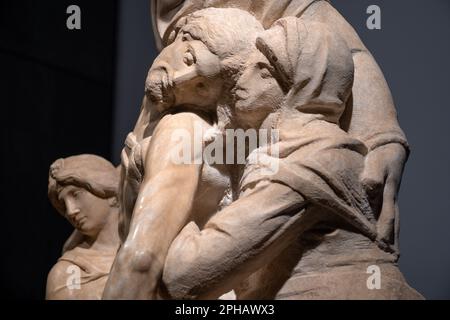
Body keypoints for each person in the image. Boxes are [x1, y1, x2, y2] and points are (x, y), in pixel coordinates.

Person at [159, 17, 422, 299]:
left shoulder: (306, 161)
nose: (243, 77)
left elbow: (187, 277)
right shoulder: (312, 150)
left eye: (264, 70)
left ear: (300, 87)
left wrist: (176, 205)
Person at [103, 8, 264, 299]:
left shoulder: (182, 129)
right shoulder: (160, 123)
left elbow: (142, 259)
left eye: (202, 86)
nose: (180, 79)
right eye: (188, 58)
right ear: (178, 35)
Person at [46, 155, 121, 300]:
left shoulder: (151, 251)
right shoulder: (66, 272)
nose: (70, 210)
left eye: (76, 194)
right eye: (64, 204)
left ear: (110, 193)